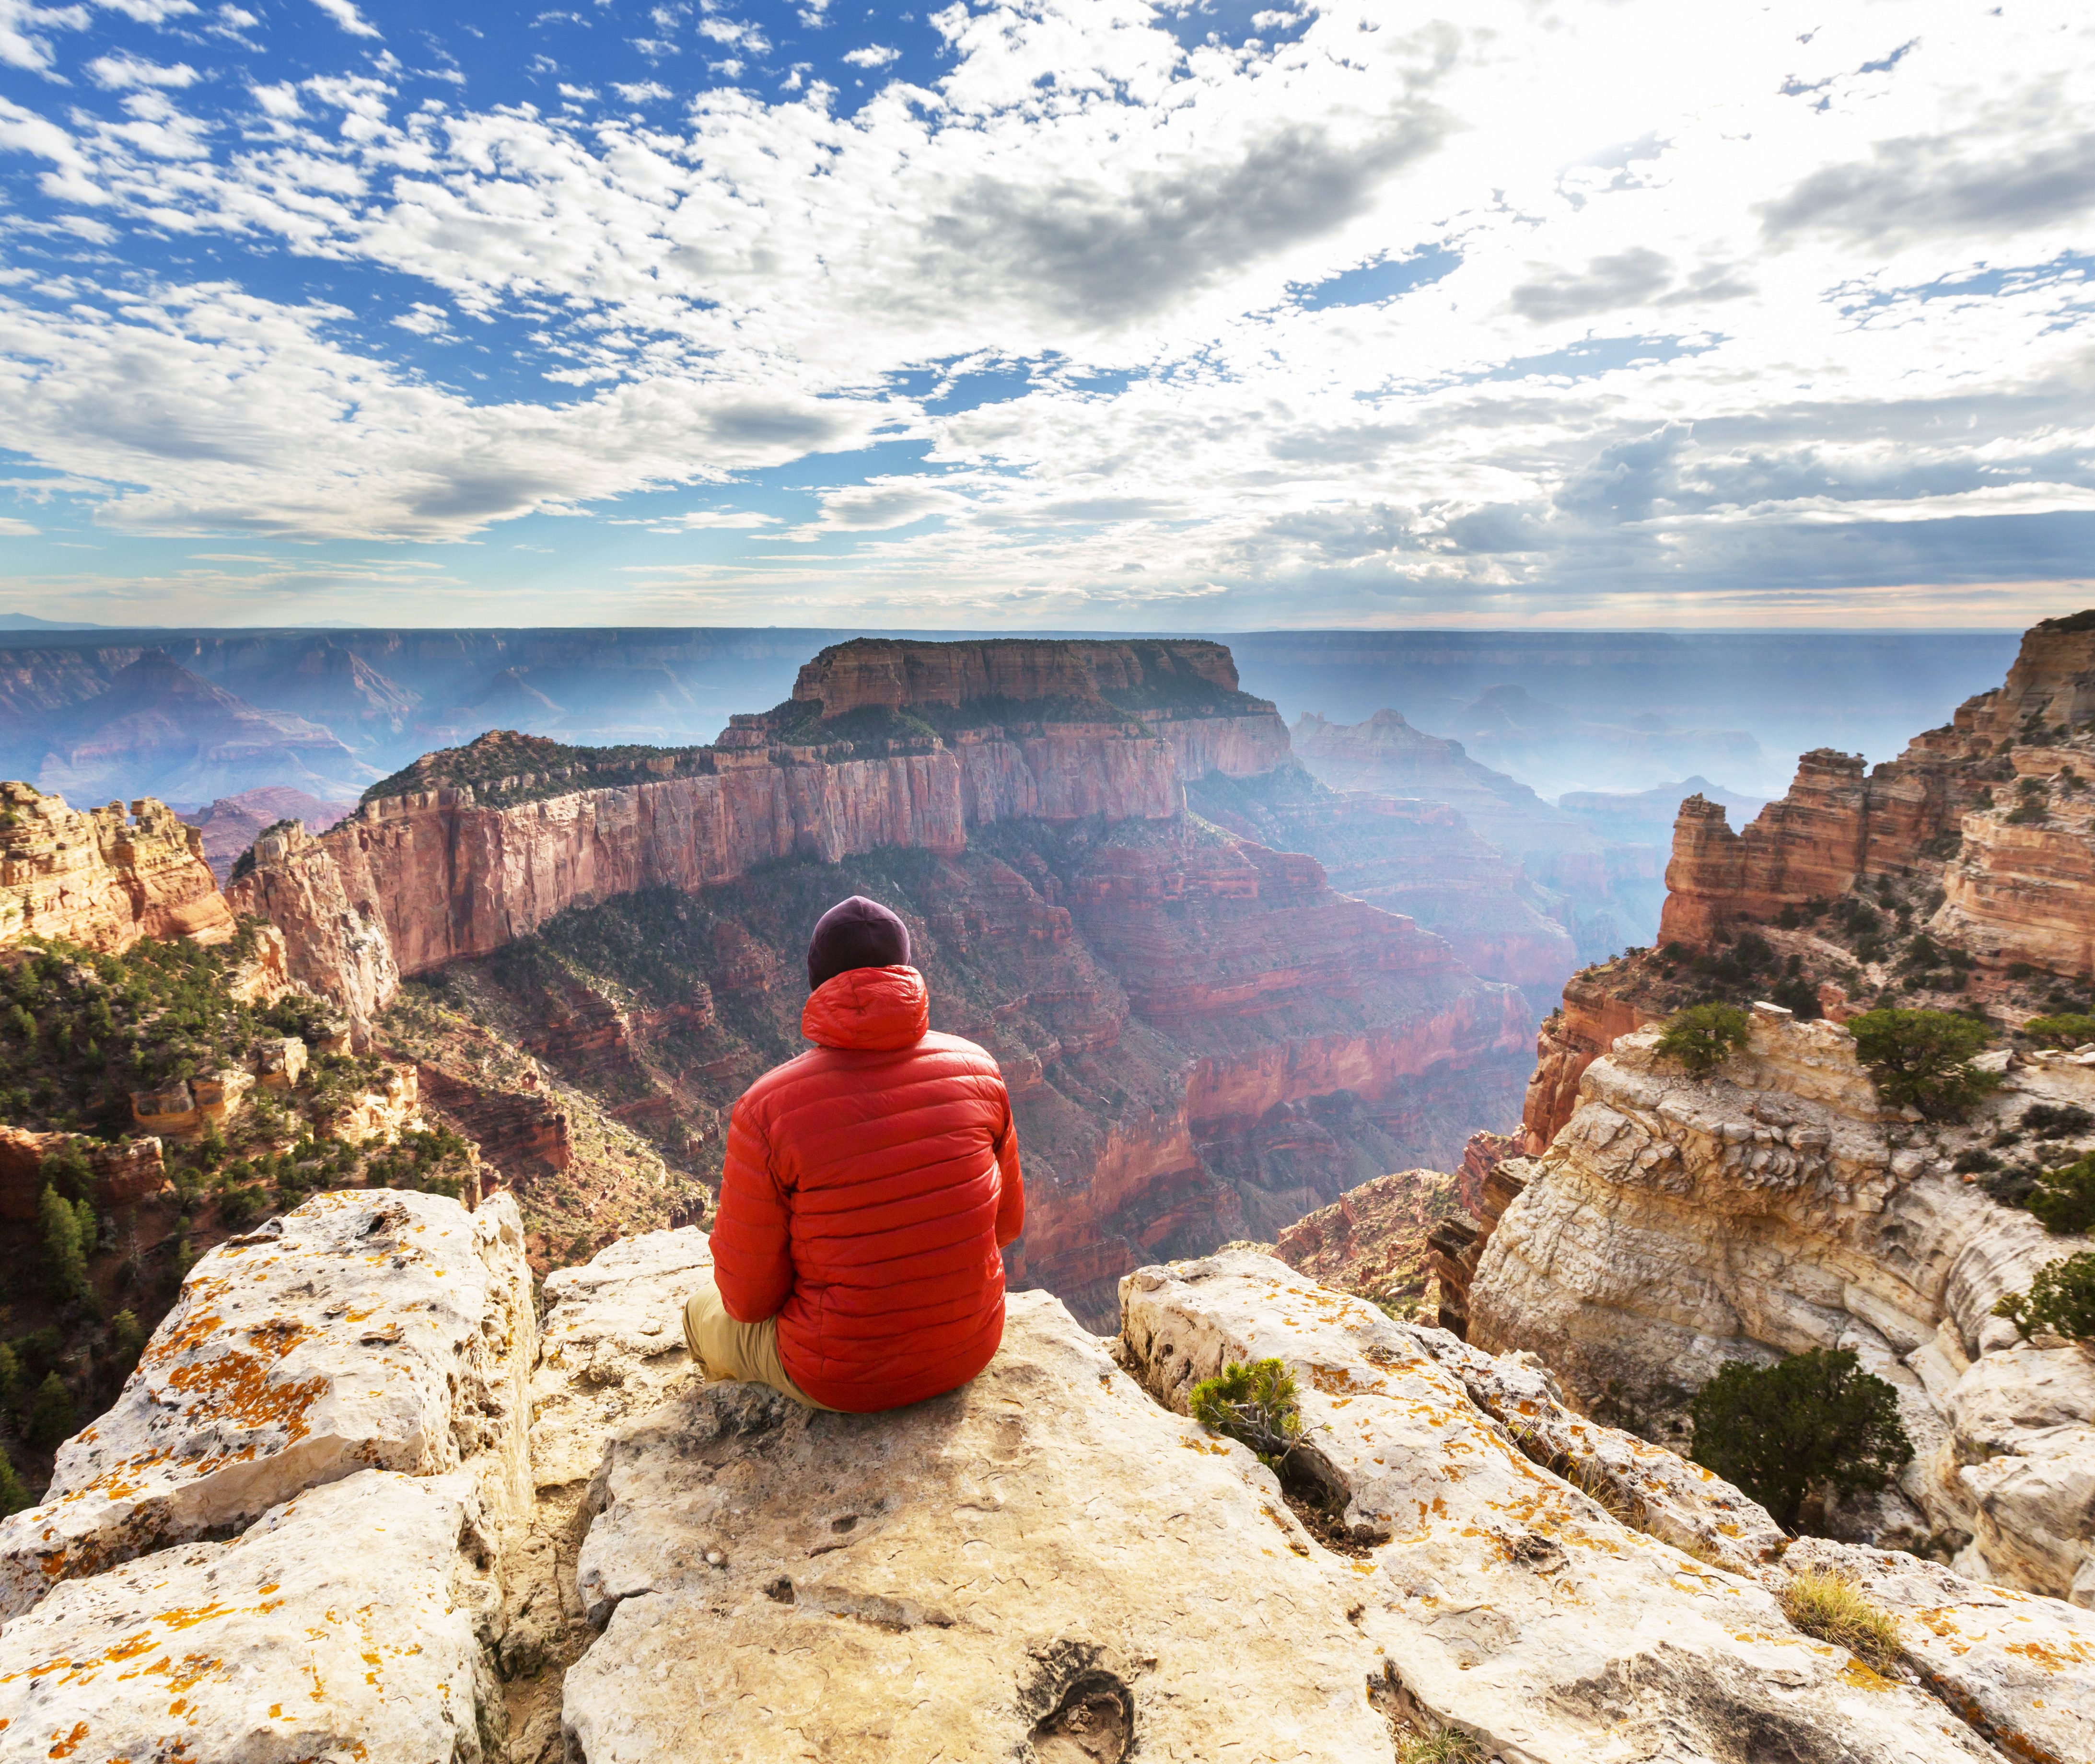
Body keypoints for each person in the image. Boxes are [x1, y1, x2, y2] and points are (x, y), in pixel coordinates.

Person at [683, 894, 1025, 1412]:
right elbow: (1006, 1226)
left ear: (817, 982)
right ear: (905, 970)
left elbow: (748, 1301)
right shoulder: (979, 1069)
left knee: (698, 1311)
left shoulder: (765, 1109)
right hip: (968, 1347)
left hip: (838, 1378)